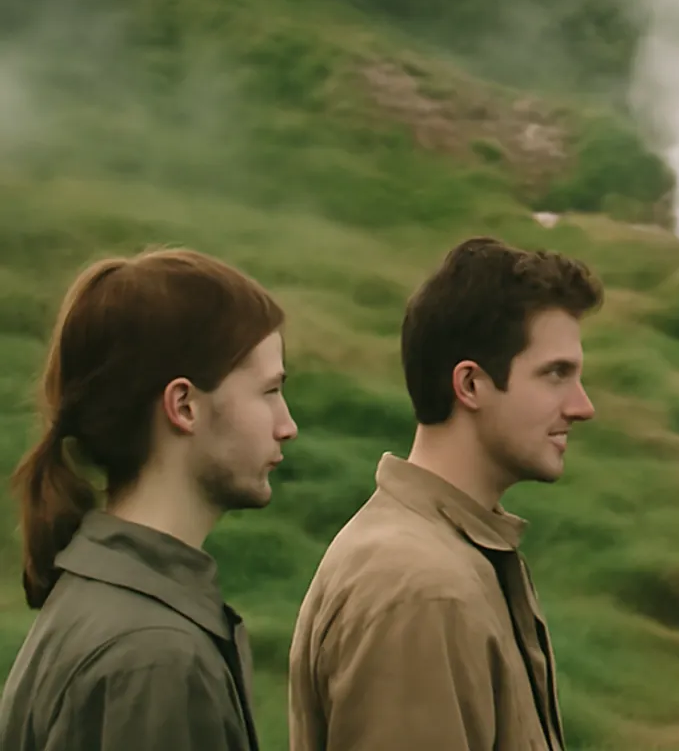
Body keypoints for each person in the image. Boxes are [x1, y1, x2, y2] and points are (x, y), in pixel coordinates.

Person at [287, 237, 603, 751]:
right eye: (555, 374)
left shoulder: (449, 557)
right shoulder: (419, 590)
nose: (582, 406)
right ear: (471, 385)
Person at [0, 247, 297, 751]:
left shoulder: (109, 604)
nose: (287, 426)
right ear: (183, 406)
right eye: (268, 392)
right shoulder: (156, 657)